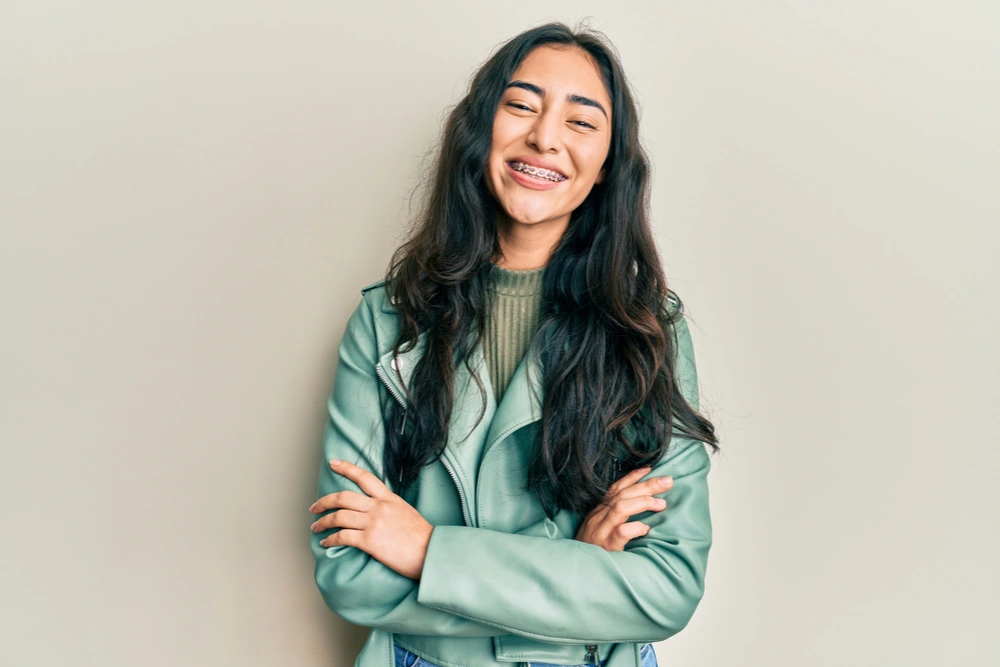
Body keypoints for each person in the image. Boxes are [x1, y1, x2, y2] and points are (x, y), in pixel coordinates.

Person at [308, 21, 720, 667]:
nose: (545, 137)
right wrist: (578, 572)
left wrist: (426, 551)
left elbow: (666, 587)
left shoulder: (648, 331)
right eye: (522, 105)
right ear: (481, 131)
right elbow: (347, 573)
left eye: (582, 122)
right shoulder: (387, 320)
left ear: (609, 164)